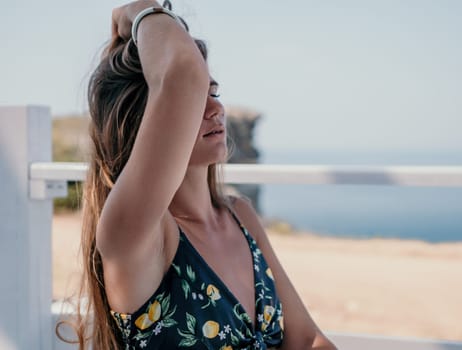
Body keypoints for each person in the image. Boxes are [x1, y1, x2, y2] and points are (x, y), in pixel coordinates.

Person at [61, 0, 337, 349]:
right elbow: (181, 76)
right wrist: (142, 10)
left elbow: (309, 339)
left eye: (214, 92)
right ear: (145, 124)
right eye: (196, 100)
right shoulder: (134, 235)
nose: (215, 108)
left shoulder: (239, 216)